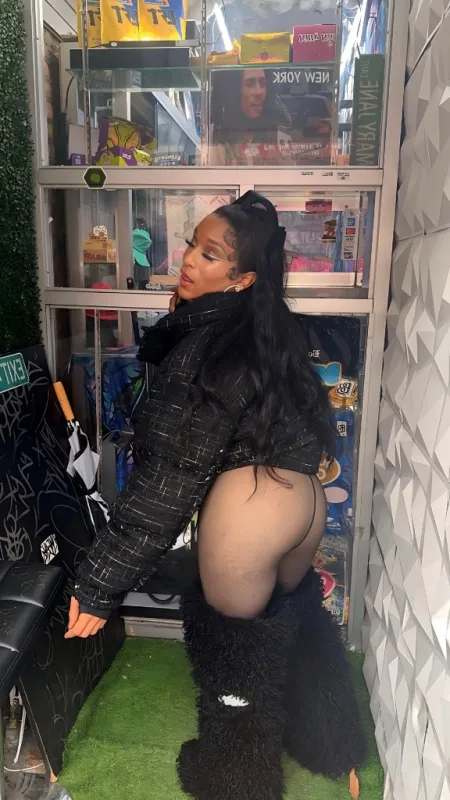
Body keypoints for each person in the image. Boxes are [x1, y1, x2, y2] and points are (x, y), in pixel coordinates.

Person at [65, 192, 366, 800]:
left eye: (210, 254)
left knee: (234, 664)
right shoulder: (266, 331)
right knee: (294, 620)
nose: (188, 260)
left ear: (242, 278)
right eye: (191, 246)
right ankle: (328, 740)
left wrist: (98, 587)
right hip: (304, 506)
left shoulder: (208, 350)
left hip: (249, 517)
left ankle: (235, 782)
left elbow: (166, 481)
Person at [211, 69, 291, 165]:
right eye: (250, 84)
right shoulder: (220, 144)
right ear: (234, 92)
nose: (259, 92)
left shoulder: (280, 137)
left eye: (263, 83)